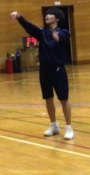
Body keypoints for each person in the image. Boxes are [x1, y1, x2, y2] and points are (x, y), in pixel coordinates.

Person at [10, 8, 74, 139]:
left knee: (63, 99)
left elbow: (61, 37)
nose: (47, 16)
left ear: (57, 18)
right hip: (44, 71)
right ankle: (53, 125)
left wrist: (56, 35)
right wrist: (19, 17)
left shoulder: (64, 32)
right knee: (48, 98)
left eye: (50, 14)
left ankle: (69, 127)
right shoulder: (42, 32)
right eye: (46, 14)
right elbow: (29, 27)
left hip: (58, 70)